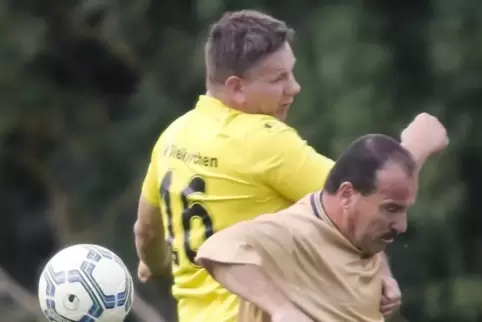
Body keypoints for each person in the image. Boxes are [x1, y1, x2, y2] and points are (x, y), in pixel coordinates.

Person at [133, 9, 448, 322]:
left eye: (291, 73)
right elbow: (358, 199)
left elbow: (146, 232)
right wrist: (415, 148)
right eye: (278, 78)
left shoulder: (173, 136)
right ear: (236, 88)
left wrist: (156, 264)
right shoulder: (265, 141)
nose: (294, 87)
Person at [196, 132, 447, 322]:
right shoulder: (294, 232)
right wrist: (282, 310)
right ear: (347, 194)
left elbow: (394, 175)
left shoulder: (356, 229)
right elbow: (216, 248)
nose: (401, 226)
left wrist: (421, 141)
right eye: (391, 210)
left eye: (404, 210)